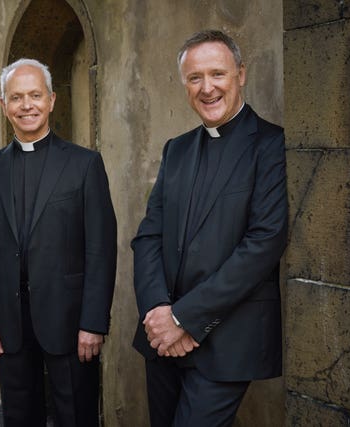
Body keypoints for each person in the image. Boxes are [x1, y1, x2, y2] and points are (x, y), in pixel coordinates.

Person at [131, 30, 288, 426]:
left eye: (217, 74)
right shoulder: (176, 149)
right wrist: (157, 312)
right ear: (185, 84)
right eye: (194, 77)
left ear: (241, 74)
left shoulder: (271, 145)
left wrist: (184, 318)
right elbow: (148, 235)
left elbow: (264, 244)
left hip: (228, 337)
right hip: (162, 338)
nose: (207, 88)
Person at [0, 58, 117, 426]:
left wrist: (93, 323)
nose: (26, 105)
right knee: (19, 418)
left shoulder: (84, 164)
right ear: (4, 106)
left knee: (76, 416)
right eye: (16, 98)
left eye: (35, 95)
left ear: (51, 100)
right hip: (9, 323)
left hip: (70, 323)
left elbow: (101, 249)